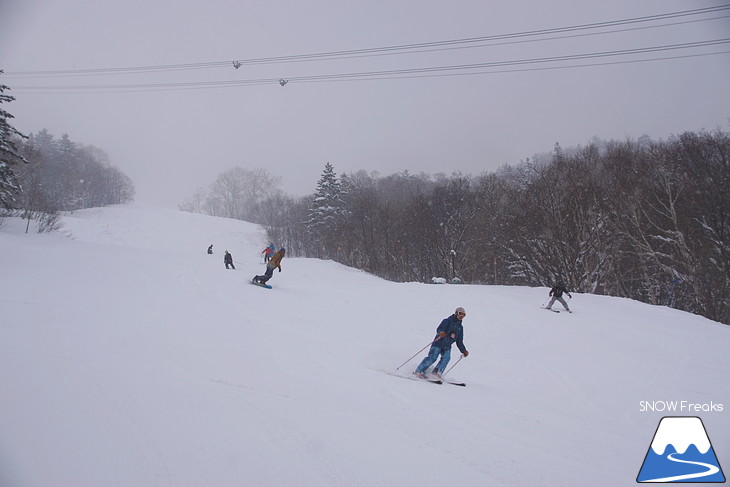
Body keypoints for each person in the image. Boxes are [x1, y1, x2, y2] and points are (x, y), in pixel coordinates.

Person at [414, 307, 469, 379]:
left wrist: (463, 351)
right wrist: (441, 332)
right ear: (456, 313)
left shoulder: (460, 328)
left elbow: (459, 341)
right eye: (460, 313)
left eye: (463, 315)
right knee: (433, 357)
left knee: (447, 358)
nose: (461, 316)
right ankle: (419, 371)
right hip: (439, 342)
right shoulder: (447, 321)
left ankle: (436, 373)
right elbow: (439, 328)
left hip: (447, 345)